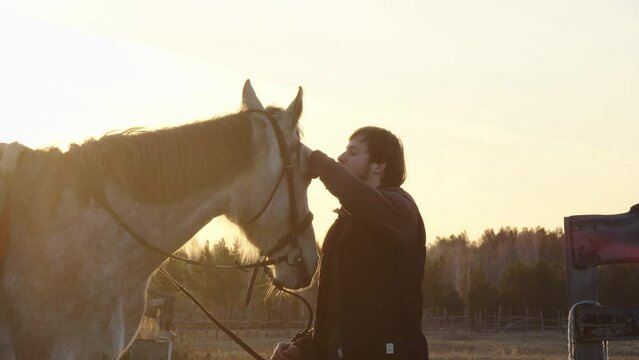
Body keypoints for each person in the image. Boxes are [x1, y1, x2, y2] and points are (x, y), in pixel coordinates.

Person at [271, 126, 428, 360]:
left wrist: (317, 161)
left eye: (353, 152)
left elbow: (357, 195)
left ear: (379, 164)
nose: (342, 158)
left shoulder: (401, 210)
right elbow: (337, 315)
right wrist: (303, 348)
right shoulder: (341, 228)